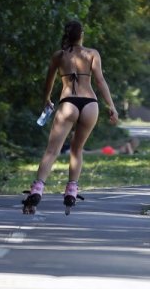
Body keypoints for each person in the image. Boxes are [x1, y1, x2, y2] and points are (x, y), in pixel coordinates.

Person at [23, 20, 119, 214]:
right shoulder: (92, 54)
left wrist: (47, 99)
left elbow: (48, 81)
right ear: (81, 34)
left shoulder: (59, 56)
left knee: (52, 151)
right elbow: (100, 81)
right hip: (90, 104)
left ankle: (38, 189)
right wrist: (112, 106)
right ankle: (71, 191)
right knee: (77, 150)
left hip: (68, 103)